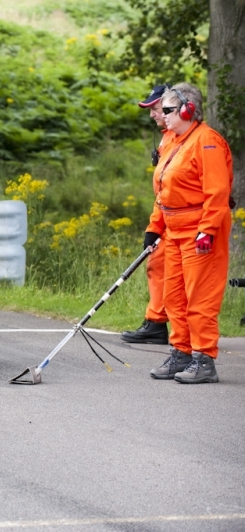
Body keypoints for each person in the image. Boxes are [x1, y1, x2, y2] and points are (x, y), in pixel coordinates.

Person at [145, 82, 233, 383]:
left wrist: (207, 230)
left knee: (200, 297)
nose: (163, 115)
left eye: (168, 110)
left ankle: (204, 359)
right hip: (174, 230)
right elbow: (164, 190)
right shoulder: (173, 140)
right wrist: (154, 227)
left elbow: (218, 192)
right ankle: (180, 352)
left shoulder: (207, 142)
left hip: (200, 232)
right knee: (175, 297)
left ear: (188, 110)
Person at [121, 84, 175, 344]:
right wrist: (154, 227)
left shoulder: (184, 138)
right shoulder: (167, 137)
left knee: (175, 272)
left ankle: (183, 336)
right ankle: (156, 322)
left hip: (184, 220)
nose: (152, 114)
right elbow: (163, 190)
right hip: (166, 215)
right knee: (157, 264)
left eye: (155, 108)